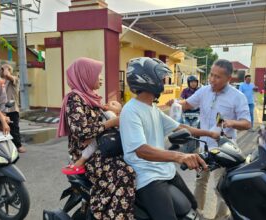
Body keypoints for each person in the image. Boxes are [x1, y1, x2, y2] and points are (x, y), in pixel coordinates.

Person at [119, 57, 220, 220]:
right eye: (160, 77)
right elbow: (142, 150)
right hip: (147, 175)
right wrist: (180, 156)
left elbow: (181, 127)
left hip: (164, 170)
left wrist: (210, 134)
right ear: (147, 79)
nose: (163, 81)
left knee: (192, 205)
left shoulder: (152, 108)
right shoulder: (130, 111)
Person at [168, 59, 251, 219]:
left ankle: (221, 217)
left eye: (217, 77)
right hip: (204, 147)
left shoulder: (237, 97)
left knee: (221, 187)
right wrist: (176, 103)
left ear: (228, 79)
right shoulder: (204, 91)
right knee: (200, 181)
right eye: (211, 75)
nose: (212, 79)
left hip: (224, 150)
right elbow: (187, 104)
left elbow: (247, 123)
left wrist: (232, 122)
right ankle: (197, 213)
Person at [57, 57, 135, 220]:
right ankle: (104, 214)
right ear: (85, 76)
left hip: (102, 147)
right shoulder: (74, 98)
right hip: (86, 154)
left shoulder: (91, 97)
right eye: (97, 74)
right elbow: (82, 131)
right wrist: (110, 123)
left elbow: (98, 124)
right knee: (124, 172)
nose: (100, 77)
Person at [61, 102, 121, 175]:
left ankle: (80, 163)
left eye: (113, 104)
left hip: (105, 138)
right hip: (106, 137)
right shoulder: (106, 113)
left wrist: (91, 136)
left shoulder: (110, 113)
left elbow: (107, 124)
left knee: (92, 145)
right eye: (109, 102)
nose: (109, 103)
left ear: (118, 112)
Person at [0, 64, 25, 153]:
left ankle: (18, 146)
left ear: (10, 70)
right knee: (1, 129)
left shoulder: (15, 79)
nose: (2, 70)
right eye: (1, 69)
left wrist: (6, 68)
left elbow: (7, 75)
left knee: (14, 128)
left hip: (12, 109)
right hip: (1, 109)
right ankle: (5, 148)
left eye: (4, 69)